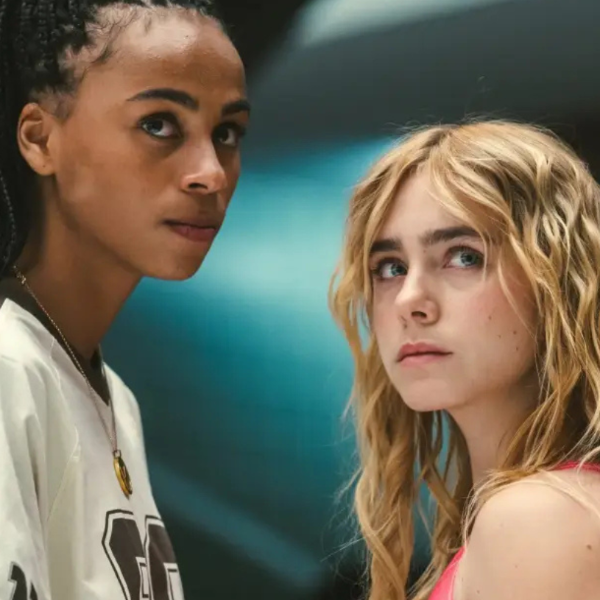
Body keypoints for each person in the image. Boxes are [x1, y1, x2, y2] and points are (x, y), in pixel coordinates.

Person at [0, 0, 249, 596]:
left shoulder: (113, 397)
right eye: (159, 124)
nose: (211, 173)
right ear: (40, 139)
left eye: (227, 133)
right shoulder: (9, 367)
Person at [329, 120, 600, 600]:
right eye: (390, 267)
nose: (409, 300)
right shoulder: (537, 510)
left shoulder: (539, 518)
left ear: (557, 280)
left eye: (463, 257)